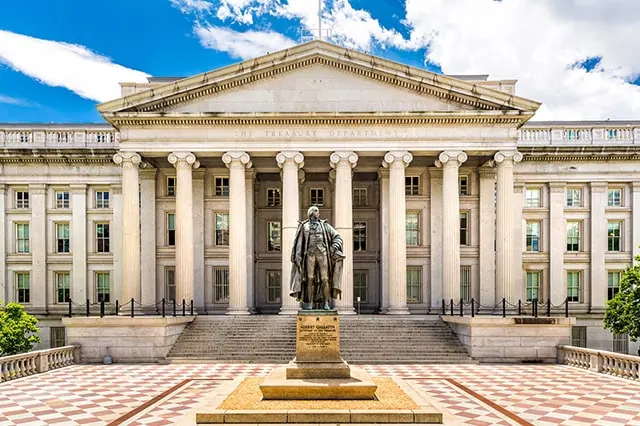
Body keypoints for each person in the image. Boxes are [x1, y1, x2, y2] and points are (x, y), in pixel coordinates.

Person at [289, 206, 344, 310]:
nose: (318, 213)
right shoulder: (304, 226)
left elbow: (338, 237)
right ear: (311, 213)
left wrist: (333, 248)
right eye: (316, 211)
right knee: (309, 279)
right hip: (309, 254)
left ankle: (326, 303)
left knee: (325, 279)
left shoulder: (325, 225)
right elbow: (299, 242)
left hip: (323, 253)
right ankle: (309, 303)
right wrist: (297, 257)